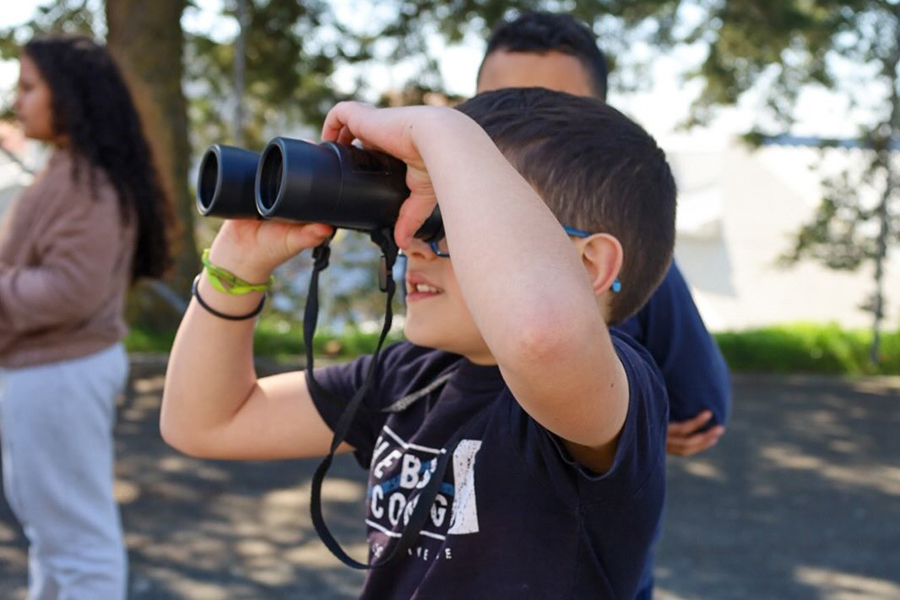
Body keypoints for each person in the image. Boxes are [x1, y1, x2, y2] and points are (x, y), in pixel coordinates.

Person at [161, 87, 676, 598]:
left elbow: (540, 339)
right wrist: (237, 264)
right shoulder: (412, 374)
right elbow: (206, 422)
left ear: (588, 266)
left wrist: (441, 130)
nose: (409, 241)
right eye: (414, 212)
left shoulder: (614, 391)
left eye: (450, 221)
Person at [475, 12, 732, 598]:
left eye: (557, 111)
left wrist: (625, 422)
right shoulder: (427, 248)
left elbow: (701, 410)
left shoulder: (638, 275)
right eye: (503, 106)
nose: (526, 128)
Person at [0, 34, 172, 600]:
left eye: (28, 88)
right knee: (52, 536)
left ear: (69, 95)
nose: (17, 100)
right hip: (46, 372)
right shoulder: (69, 168)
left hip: (58, 376)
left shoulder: (89, 184)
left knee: (78, 545)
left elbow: (73, 288)